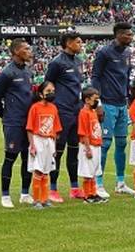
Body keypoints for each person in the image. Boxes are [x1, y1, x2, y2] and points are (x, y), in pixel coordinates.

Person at [90, 23, 135, 195]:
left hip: (122, 103)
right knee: (105, 143)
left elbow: (125, 77)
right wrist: (98, 103)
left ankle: (120, 182)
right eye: (128, 35)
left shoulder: (128, 53)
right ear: (118, 35)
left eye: (131, 35)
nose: (130, 38)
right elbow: (95, 77)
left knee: (122, 143)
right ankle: (98, 183)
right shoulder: (104, 52)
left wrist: (128, 102)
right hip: (107, 102)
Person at [42, 32, 85, 200]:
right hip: (61, 111)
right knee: (57, 151)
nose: (81, 44)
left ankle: (74, 187)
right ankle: (52, 188)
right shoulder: (57, 63)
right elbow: (48, 84)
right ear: (68, 43)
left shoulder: (79, 61)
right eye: (78, 42)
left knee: (74, 151)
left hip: (76, 110)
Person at [0, 39, 35, 208]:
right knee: (10, 157)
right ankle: (5, 195)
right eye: (26, 48)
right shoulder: (6, 73)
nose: (29, 51)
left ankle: (25, 193)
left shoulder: (28, 71)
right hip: (13, 122)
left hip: (28, 122)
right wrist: (6, 116)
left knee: (28, 158)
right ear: (16, 51)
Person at [25, 82, 61, 210]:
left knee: (46, 171)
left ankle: (45, 199)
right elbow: (29, 128)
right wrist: (32, 146)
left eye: (53, 90)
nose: (51, 93)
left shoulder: (53, 108)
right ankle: (36, 200)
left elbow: (56, 129)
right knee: (38, 170)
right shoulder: (35, 108)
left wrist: (54, 147)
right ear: (41, 94)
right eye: (48, 91)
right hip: (38, 140)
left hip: (49, 142)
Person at [76, 88, 107, 203]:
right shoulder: (84, 113)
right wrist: (88, 149)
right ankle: (87, 195)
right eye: (95, 99)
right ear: (87, 100)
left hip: (96, 144)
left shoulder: (93, 112)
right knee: (88, 172)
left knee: (94, 171)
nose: (97, 102)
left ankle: (93, 193)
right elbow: (83, 132)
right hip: (89, 146)